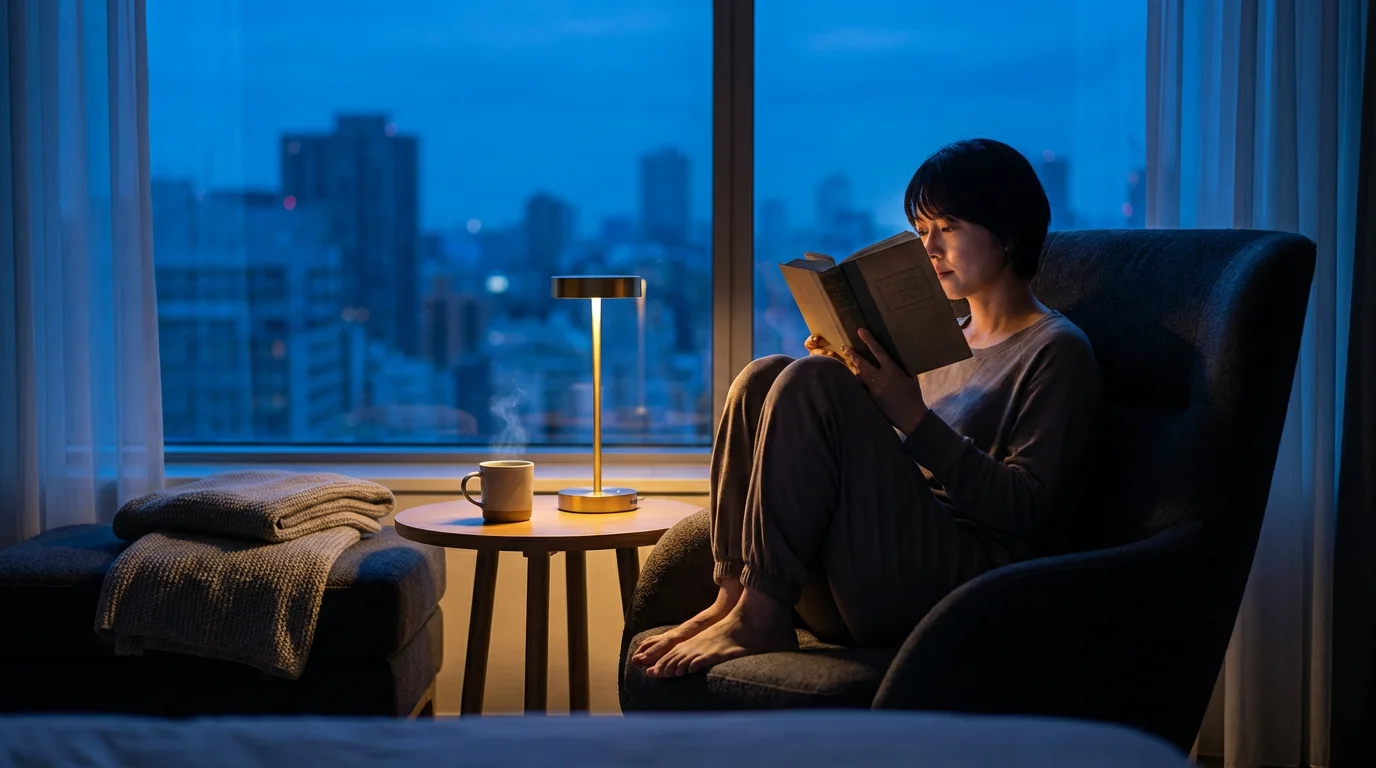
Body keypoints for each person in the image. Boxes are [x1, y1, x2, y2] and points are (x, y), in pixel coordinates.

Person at [632, 138, 1105, 678]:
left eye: (947, 228)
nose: (930, 248)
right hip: (866, 568)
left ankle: (761, 615)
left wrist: (909, 415)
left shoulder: (1056, 351)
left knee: (813, 380)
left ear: (1007, 232)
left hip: (956, 587)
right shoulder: (937, 340)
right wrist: (853, 388)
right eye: (922, 231)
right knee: (764, 377)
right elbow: (888, 462)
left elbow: (1031, 511)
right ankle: (735, 597)